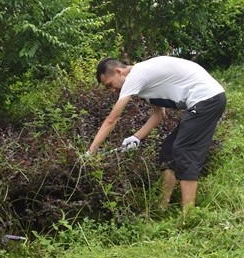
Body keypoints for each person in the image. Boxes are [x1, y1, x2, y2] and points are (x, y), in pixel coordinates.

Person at [87, 56, 226, 211]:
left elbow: (112, 119)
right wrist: (136, 138)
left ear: (118, 72)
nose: (113, 90)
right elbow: (159, 115)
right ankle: (163, 205)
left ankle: (189, 214)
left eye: (110, 85)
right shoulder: (145, 81)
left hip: (207, 99)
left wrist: (91, 152)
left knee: (184, 151)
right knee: (168, 152)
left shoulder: (136, 76)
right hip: (207, 100)